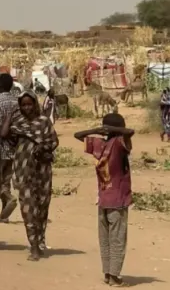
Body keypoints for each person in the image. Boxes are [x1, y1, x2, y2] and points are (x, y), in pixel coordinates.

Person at [74, 114, 134, 287]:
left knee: (105, 239)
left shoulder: (100, 144)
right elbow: (131, 132)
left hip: (103, 199)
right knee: (117, 239)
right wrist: (113, 130)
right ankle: (115, 276)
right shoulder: (120, 144)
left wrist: (97, 130)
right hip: (118, 199)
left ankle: (107, 273)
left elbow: (77, 135)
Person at [0, 91, 58, 261]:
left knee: (41, 206)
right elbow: (3, 135)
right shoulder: (17, 123)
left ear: (35, 104)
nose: (27, 108)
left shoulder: (44, 122)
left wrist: (43, 148)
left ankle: (40, 240)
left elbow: (54, 141)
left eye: (29, 104)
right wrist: (11, 114)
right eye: (23, 105)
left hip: (42, 170)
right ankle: (33, 245)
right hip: (23, 170)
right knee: (27, 207)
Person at [0, 73, 19, 223]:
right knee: (6, 179)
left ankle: (9, 198)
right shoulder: (17, 102)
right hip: (14, 148)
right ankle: (3, 215)